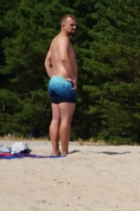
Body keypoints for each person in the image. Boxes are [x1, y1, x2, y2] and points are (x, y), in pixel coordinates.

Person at [45, 14, 78, 156]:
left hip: (55, 82)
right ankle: (64, 151)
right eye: (71, 25)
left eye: (75, 25)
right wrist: (73, 77)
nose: (74, 27)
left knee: (55, 118)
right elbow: (64, 58)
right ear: (63, 26)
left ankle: (55, 150)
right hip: (64, 83)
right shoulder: (64, 40)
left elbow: (47, 62)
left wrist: (54, 78)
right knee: (65, 119)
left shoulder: (54, 40)